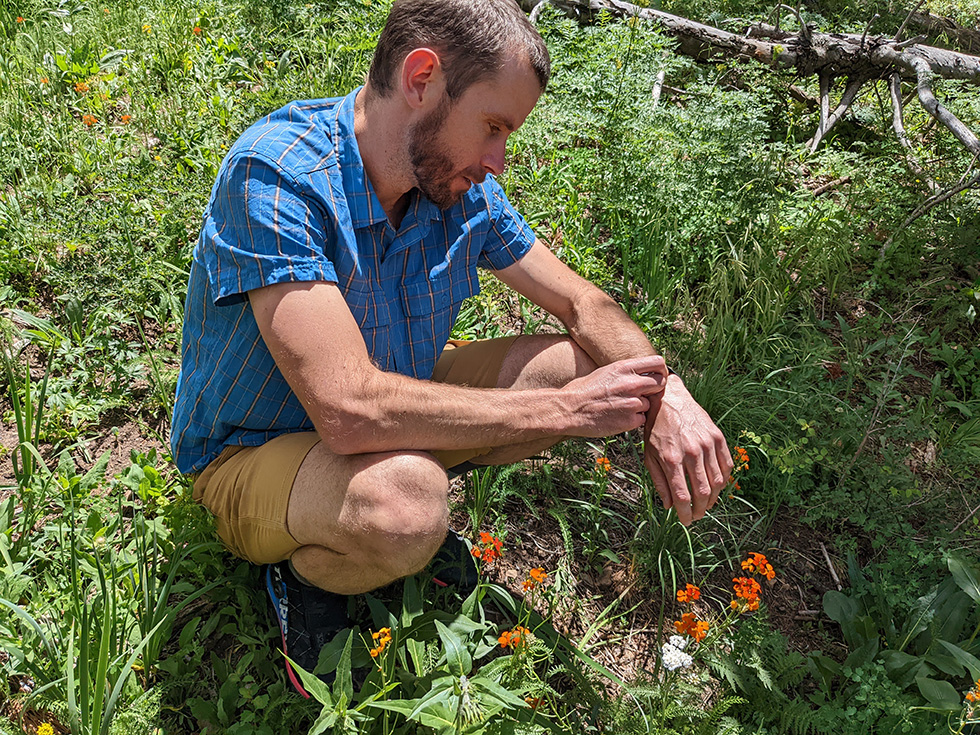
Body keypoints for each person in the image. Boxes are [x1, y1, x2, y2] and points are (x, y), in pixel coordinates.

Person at [171, 0, 733, 697]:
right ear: (422, 77)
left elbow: (584, 303)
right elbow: (347, 408)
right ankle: (305, 575)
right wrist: (562, 413)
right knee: (407, 504)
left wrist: (663, 390)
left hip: (380, 409)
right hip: (255, 452)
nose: (497, 161)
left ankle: (396, 510)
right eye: (492, 127)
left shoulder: (456, 190)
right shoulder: (280, 174)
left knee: (589, 364)